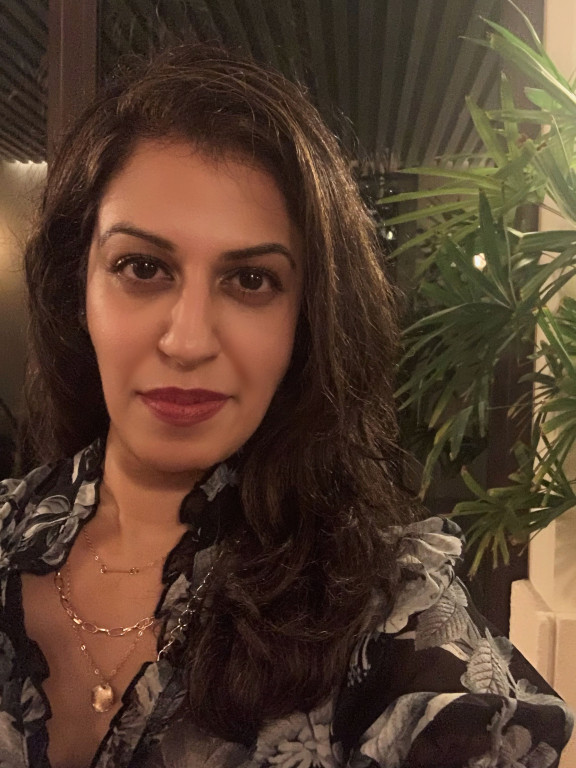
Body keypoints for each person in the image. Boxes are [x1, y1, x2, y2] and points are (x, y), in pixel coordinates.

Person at [0, 44, 571, 768]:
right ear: (77, 292)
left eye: (250, 281)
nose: (188, 341)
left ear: (305, 321)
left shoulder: (390, 611)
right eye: (142, 268)